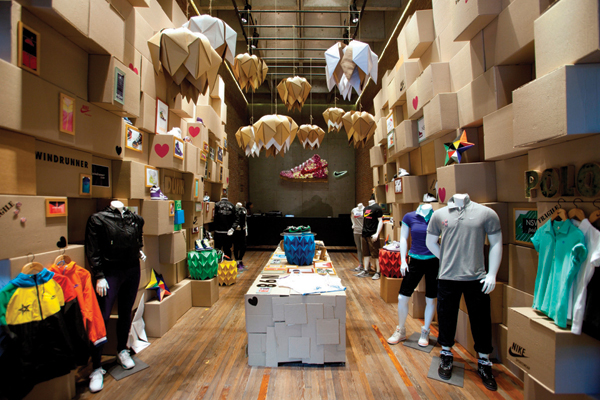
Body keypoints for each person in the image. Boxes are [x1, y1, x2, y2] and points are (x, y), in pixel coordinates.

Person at [426, 194, 502, 391]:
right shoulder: (439, 214)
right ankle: (446, 353)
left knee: (481, 319)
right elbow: (430, 242)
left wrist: (492, 274)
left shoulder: (486, 213)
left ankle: (484, 361)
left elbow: (496, 243)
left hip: (476, 277)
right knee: (446, 316)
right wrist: (446, 258)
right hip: (447, 276)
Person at [85, 200, 146, 393]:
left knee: (126, 312)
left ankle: (122, 350)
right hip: (110, 271)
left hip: (132, 269)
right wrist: (99, 275)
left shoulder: (135, 219)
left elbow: (138, 239)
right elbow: (93, 249)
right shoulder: (98, 219)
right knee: (101, 317)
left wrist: (139, 251)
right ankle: (96, 366)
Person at [388, 204, 438, 347]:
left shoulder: (437, 217)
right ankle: (401, 329)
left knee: (431, 298)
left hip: (434, 260)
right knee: (402, 297)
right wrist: (403, 260)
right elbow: (403, 238)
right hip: (415, 260)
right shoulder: (409, 216)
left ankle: (425, 331)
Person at [356, 196, 383, 280]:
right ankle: (365, 270)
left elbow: (380, 221)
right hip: (364, 233)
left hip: (372, 233)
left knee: (375, 254)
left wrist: (377, 233)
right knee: (366, 253)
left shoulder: (377, 208)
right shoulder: (366, 208)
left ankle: (378, 272)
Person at [232, 202, 248, 270]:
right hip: (236, 230)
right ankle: (237, 261)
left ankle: (240, 259)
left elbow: (245, 221)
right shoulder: (234, 210)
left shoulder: (244, 210)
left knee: (243, 246)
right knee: (236, 246)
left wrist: (246, 230)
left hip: (243, 230)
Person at [350, 203, 365, 271]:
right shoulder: (354, 210)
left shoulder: (365, 209)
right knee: (358, 248)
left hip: (363, 231)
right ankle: (360, 264)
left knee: (363, 248)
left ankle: (367, 264)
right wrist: (353, 224)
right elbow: (352, 217)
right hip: (356, 231)